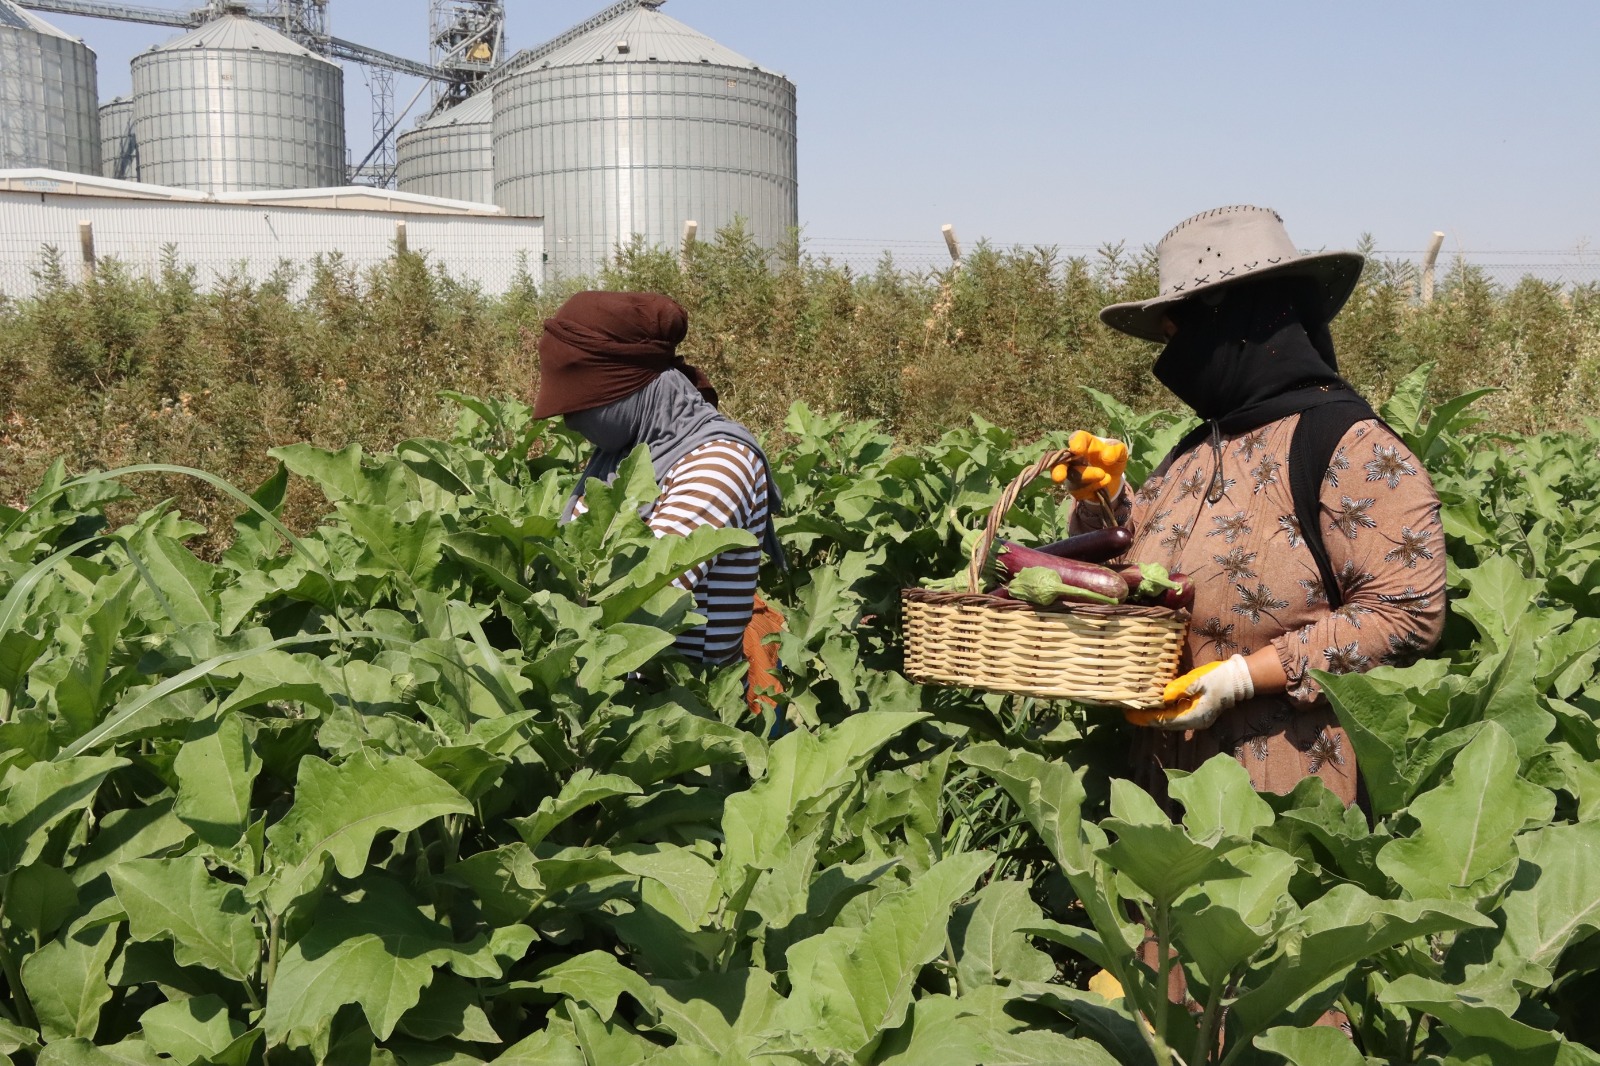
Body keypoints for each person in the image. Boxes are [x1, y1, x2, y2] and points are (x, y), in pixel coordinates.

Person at [1066, 205, 1447, 810]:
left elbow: (1405, 612)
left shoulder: (1349, 444)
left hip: (1282, 791)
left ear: (1239, 321)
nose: (1174, 360)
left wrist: (1245, 676)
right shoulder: (1195, 450)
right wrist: (1102, 503)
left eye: (1179, 335)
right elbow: (1136, 579)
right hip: (1163, 781)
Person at [532, 291, 784, 683]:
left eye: (579, 404)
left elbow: (639, 593)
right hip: (616, 689)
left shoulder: (718, 462)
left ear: (628, 386)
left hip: (686, 707)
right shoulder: (628, 453)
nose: (568, 421)